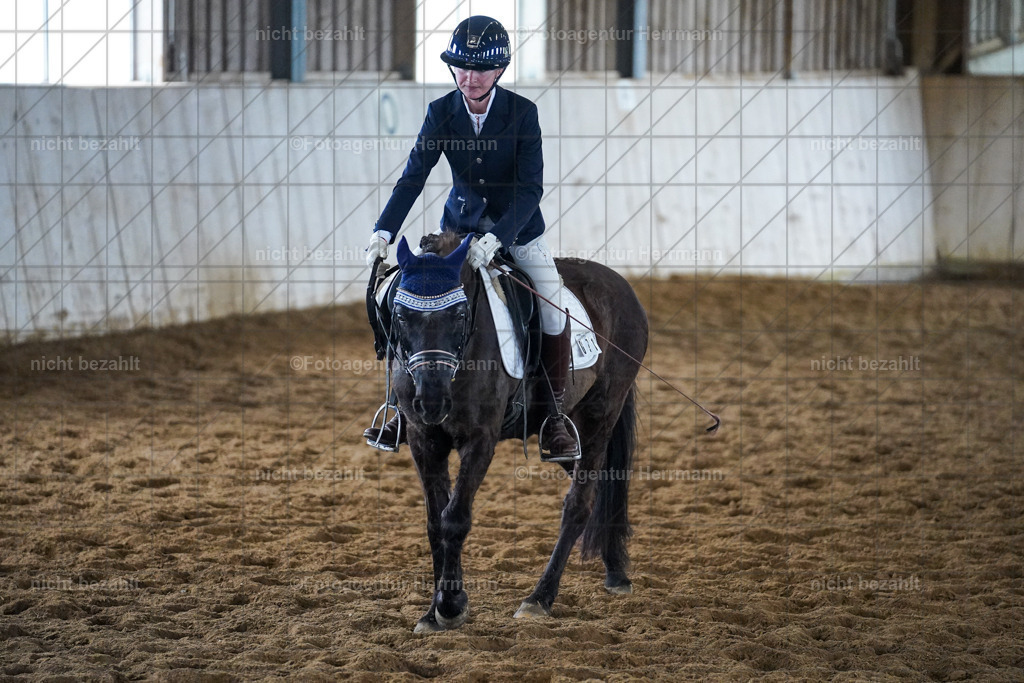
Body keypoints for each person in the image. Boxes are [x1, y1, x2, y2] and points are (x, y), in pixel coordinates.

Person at [363, 15, 579, 462]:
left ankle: (555, 417)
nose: (469, 77)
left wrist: (497, 238)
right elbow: (413, 177)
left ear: (499, 71)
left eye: (479, 69)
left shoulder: (522, 114)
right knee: (396, 296)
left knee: (551, 303)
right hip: (456, 232)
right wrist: (384, 229)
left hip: (516, 231)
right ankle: (399, 407)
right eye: (461, 67)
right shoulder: (441, 112)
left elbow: (530, 189)